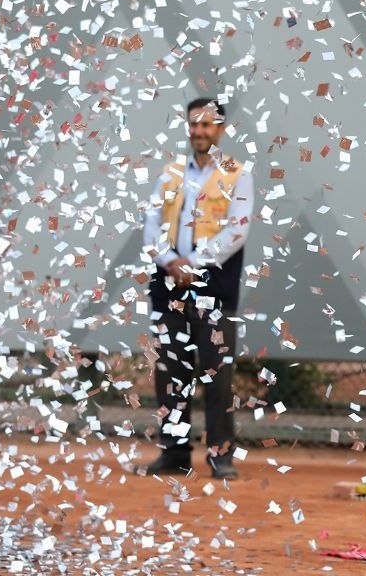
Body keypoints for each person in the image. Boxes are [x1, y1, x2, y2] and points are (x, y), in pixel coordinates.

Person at [136, 98, 253, 479]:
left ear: (221, 129)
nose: (200, 131)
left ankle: (221, 455)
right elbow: (151, 226)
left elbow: (237, 230)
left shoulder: (238, 173)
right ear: (188, 127)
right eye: (194, 124)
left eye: (208, 125)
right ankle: (174, 452)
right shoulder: (169, 173)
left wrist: (194, 263)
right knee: (170, 371)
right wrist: (170, 261)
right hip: (169, 286)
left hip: (213, 289)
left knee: (217, 374)